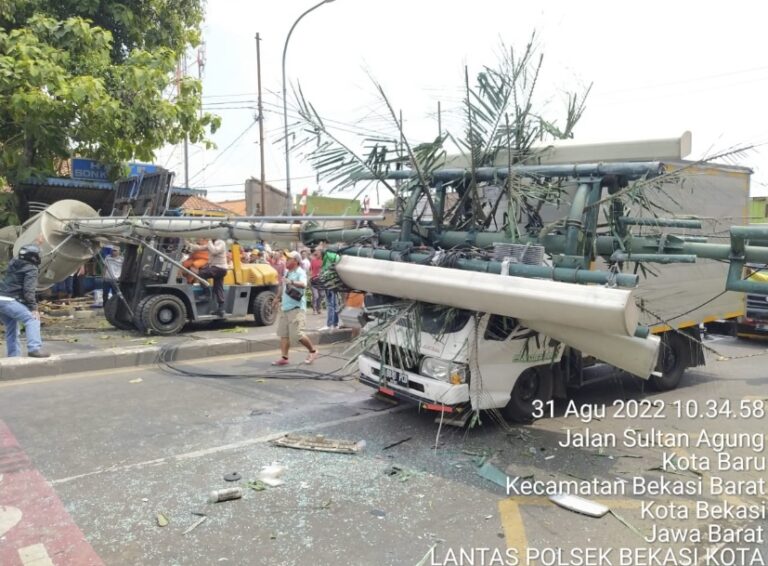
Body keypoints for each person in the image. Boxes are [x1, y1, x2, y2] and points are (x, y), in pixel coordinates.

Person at [0, 245, 50, 358]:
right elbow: (29, 290)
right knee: (32, 319)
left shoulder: (14, 263)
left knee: (11, 326)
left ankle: (13, 356)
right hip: (8, 300)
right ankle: (34, 349)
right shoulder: (31, 268)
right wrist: (34, 309)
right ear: (33, 257)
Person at [271, 250, 318, 366]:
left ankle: (313, 351)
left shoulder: (300, 272)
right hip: (285, 308)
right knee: (284, 334)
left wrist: (291, 281)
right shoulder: (287, 272)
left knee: (297, 334)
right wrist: (277, 298)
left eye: (289, 259)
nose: (286, 261)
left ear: (296, 261)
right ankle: (284, 357)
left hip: (296, 308)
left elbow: (303, 284)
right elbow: (282, 286)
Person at [188, 238, 228, 317]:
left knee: (202, 273)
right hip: (218, 268)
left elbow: (214, 251)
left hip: (219, 268)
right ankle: (221, 309)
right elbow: (200, 248)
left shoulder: (220, 242)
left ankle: (207, 293)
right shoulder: (212, 243)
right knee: (218, 287)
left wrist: (209, 242)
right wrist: (189, 245)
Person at [319, 249, 340, 331]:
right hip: (336, 282)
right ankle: (335, 324)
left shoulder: (327, 258)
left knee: (330, 305)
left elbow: (325, 272)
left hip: (329, 283)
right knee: (335, 304)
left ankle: (329, 324)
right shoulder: (336, 257)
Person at [309, 249, 323, 315]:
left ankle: (318, 308)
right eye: (316, 254)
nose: (316, 255)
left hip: (321, 281)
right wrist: (311, 275)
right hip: (314, 280)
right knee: (316, 296)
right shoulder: (313, 261)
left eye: (318, 253)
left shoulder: (323, 261)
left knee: (321, 295)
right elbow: (310, 269)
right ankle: (314, 309)